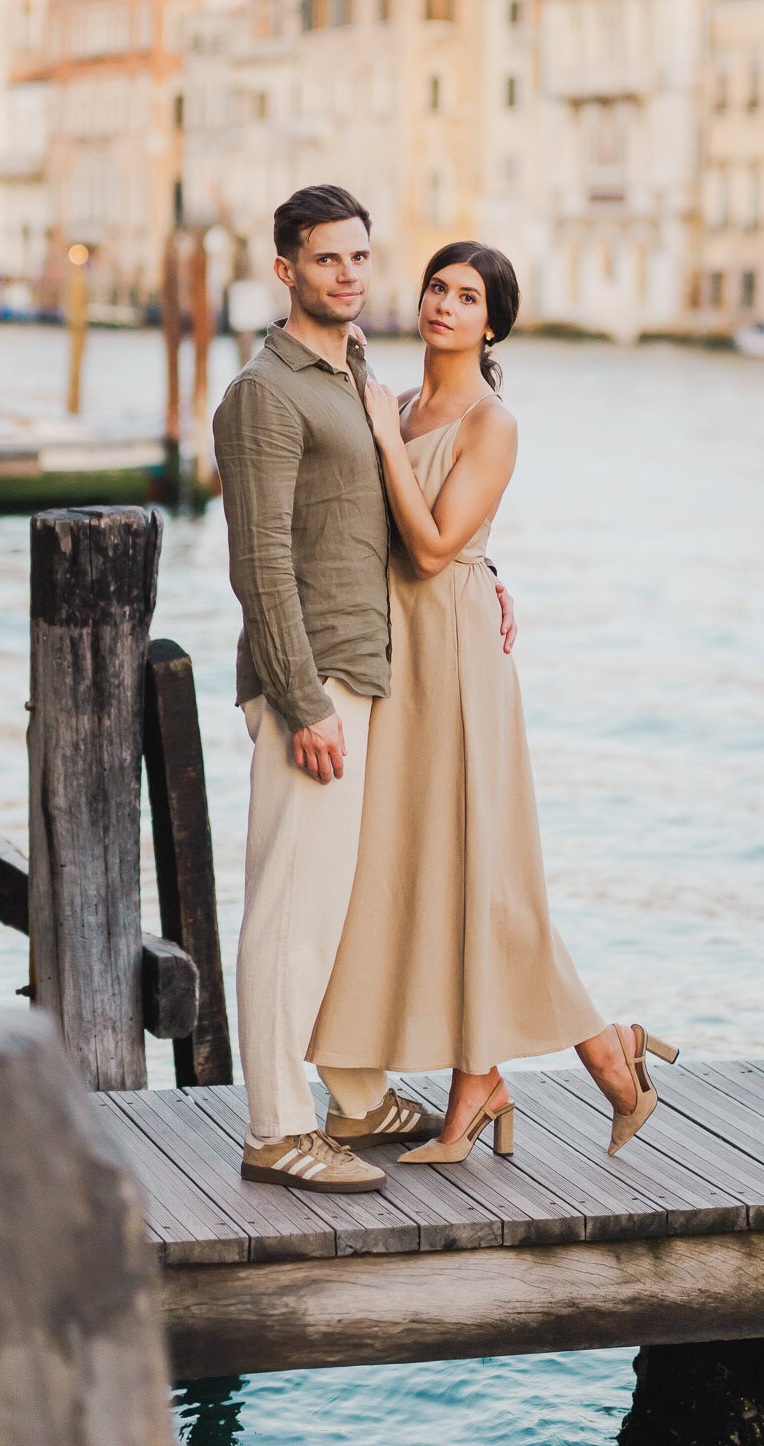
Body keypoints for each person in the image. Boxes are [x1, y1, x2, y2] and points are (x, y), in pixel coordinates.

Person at [310, 240, 677, 1163]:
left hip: (460, 656)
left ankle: (506, 1075)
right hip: (398, 649)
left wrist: (393, 446)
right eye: (437, 287)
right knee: (440, 864)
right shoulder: (393, 398)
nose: (443, 304)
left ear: (492, 321)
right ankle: (582, 1057)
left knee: (489, 868)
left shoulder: (490, 420)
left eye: (467, 296)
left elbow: (434, 548)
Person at [212, 186, 517, 1192]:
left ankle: (353, 1095)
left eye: (357, 258)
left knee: (337, 903)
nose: (346, 275)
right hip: (317, 679)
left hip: (368, 667)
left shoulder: (352, 370)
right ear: (285, 269)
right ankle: (276, 1128)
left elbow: (389, 515)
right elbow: (257, 563)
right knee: (288, 909)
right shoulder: (266, 392)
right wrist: (300, 703)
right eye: (325, 260)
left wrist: (490, 577)